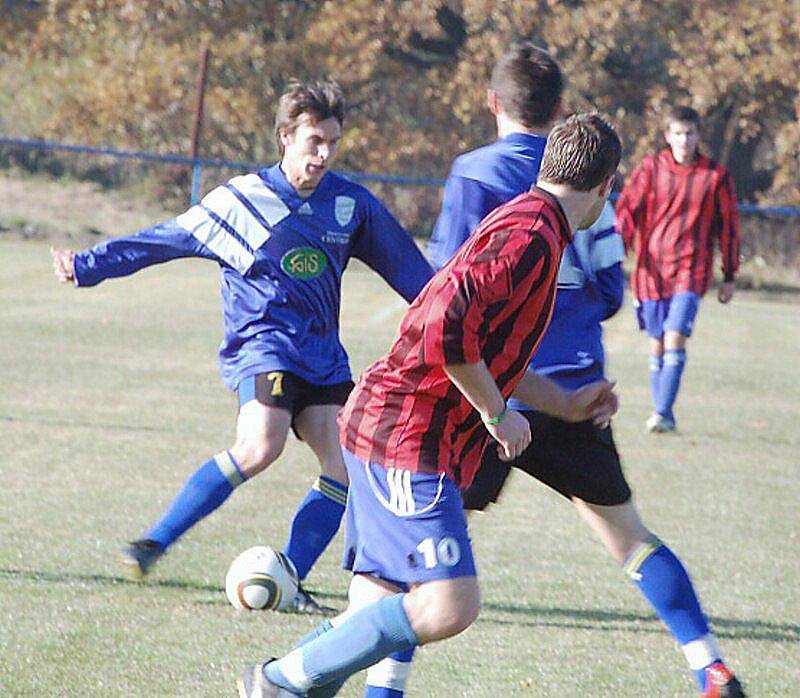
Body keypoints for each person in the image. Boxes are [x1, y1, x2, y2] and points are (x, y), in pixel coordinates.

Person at [236, 111, 622, 697]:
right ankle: (279, 680)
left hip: (399, 428)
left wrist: (565, 405)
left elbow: (488, 354)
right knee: (448, 603)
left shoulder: (532, 224)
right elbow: (446, 332)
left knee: (380, 604)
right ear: (605, 187)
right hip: (405, 437)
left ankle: (291, 683)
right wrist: (497, 415)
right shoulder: (531, 238)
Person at [50, 79, 433, 612]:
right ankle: (153, 542)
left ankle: (288, 578)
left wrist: (455, 317)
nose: (323, 154)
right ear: (284, 138)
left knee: (347, 465)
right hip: (264, 346)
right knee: (260, 445)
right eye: (313, 141)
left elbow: (416, 277)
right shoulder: (243, 201)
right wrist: (89, 265)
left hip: (322, 357)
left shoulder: (350, 205)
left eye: (332, 143)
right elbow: (163, 240)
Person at [431, 46, 744, 698]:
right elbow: (608, 291)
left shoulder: (475, 174)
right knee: (631, 539)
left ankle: (373, 681)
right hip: (574, 386)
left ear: (493, 103)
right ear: (561, 109)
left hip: (490, 385)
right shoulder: (592, 183)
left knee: (414, 545)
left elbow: (445, 291)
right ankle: (707, 662)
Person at [616, 105, 740, 433]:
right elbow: (627, 213)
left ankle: (664, 413)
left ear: (699, 136)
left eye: (690, 133)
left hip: (692, 270)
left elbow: (729, 226)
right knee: (657, 341)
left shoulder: (715, 177)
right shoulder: (649, 170)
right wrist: (618, 252)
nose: (684, 140)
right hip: (651, 273)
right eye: (678, 133)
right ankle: (661, 412)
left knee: (675, 337)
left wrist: (729, 275)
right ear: (668, 136)